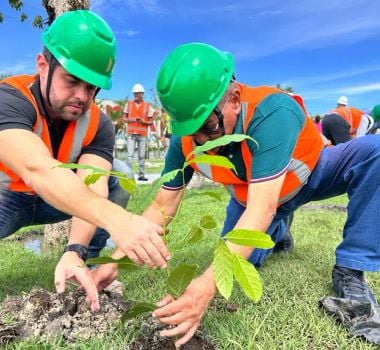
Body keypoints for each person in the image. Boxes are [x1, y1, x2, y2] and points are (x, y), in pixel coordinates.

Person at [101, 43, 380, 347]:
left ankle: (351, 269)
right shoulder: (187, 137)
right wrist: (114, 261)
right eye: (192, 130)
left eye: (208, 126)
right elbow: (161, 206)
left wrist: (205, 287)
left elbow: (263, 209)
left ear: (234, 98)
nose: (202, 140)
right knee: (242, 263)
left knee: (374, 153)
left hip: (313, 175)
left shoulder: (272, 111)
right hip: (253, 201)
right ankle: (279, 232)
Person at [0, 10, 170, 311]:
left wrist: (74, 250)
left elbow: (96, 186)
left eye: (92, 88)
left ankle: (86, 264)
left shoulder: (98, 123)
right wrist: (120, 221)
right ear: (43, 66)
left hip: (55, 202)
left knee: (119, 175)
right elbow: (37, 168)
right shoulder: (10, 100)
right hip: (7, 200)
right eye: (72, 81)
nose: (82, 96)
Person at [123, 83, 154, 181]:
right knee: (129, 155)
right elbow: (124, 118)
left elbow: (151, 121)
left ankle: (141, 175)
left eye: (137, 93)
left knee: (141, 156)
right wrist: (132, 120)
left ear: (142, 94)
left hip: (142, 135)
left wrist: (143, 121)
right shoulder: (128, 104)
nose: (135, 95)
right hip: (131, 133)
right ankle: (129, 175)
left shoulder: (147, 105)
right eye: (134, 93)